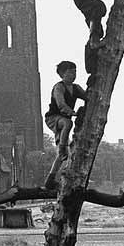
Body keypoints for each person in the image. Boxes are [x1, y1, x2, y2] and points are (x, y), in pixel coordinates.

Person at [44, 61, 86, 189]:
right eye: (70, 72)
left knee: (63, 156)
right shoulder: (59, 87)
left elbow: (88, 97)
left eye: (75, 71)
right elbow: (61, 105)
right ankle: (62, 146)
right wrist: (73, 113)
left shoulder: (76, 88)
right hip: (53, 118)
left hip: (64, 122)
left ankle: (50, 180)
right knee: (68, 122)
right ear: (62, 74)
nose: (73, 75)